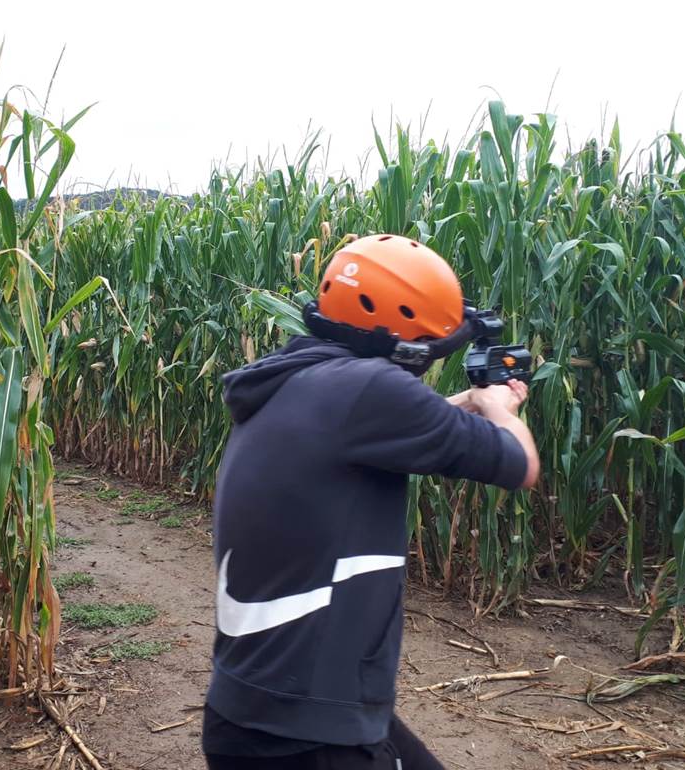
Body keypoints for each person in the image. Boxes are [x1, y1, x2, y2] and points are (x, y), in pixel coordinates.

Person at [201, 235, 540, 769]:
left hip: (260, 706)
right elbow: (520, 465)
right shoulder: (372, 391)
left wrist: (467, 405)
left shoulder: (297, 378)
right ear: (407, 345)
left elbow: (385, 427)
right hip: (303, 737)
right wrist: (501, 408)